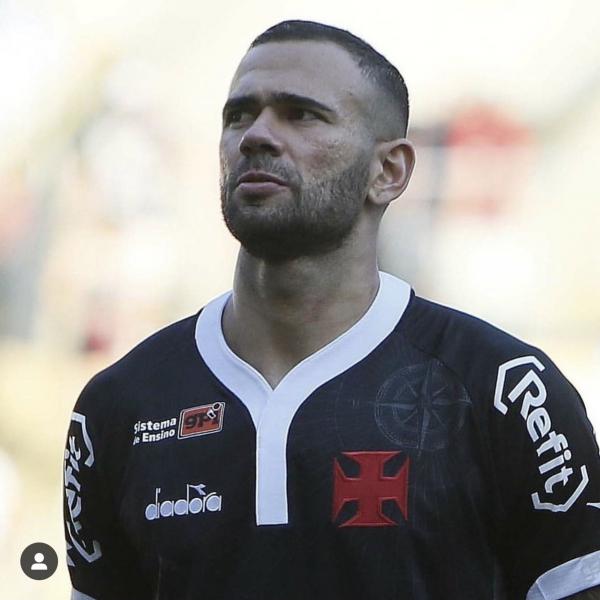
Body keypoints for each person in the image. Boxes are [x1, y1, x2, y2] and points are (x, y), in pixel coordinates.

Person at [63, 19, 600, 600]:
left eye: (301, 114)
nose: (256, 136)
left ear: (388, 172)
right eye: (239, 115)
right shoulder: (120, 406)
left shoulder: (503, 391)